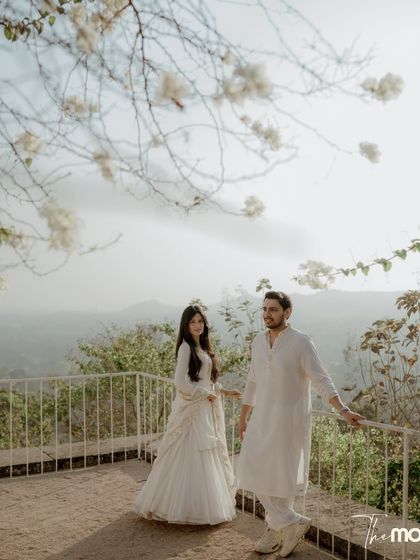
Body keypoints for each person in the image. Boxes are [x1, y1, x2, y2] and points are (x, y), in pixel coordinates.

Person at [237, 291, 364, 555]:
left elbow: (321, 379)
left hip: (289, 421)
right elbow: (253, 380)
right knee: (250, 470)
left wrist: (342, 409)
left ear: (287, 312)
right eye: (264, 309)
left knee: (280, 478)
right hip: (261, 418)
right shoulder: (258, 342)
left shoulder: (301, 342)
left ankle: (275, 532)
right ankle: (290, 522)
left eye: (273, 309)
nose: (267, 314)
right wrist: (243, 415)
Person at [134, 304, 241, 525]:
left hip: (205, 406)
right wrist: (203, 394)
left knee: (205, 452)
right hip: (194, 407)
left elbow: (205, 379)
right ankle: (178, 506)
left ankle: (198, 506)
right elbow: (180, 381)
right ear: (185, 325)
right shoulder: (185, 348)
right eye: (193, 322)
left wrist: (223, 391)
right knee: (190, 452)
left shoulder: (201, 347)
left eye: (200, 321)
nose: (197, 325)